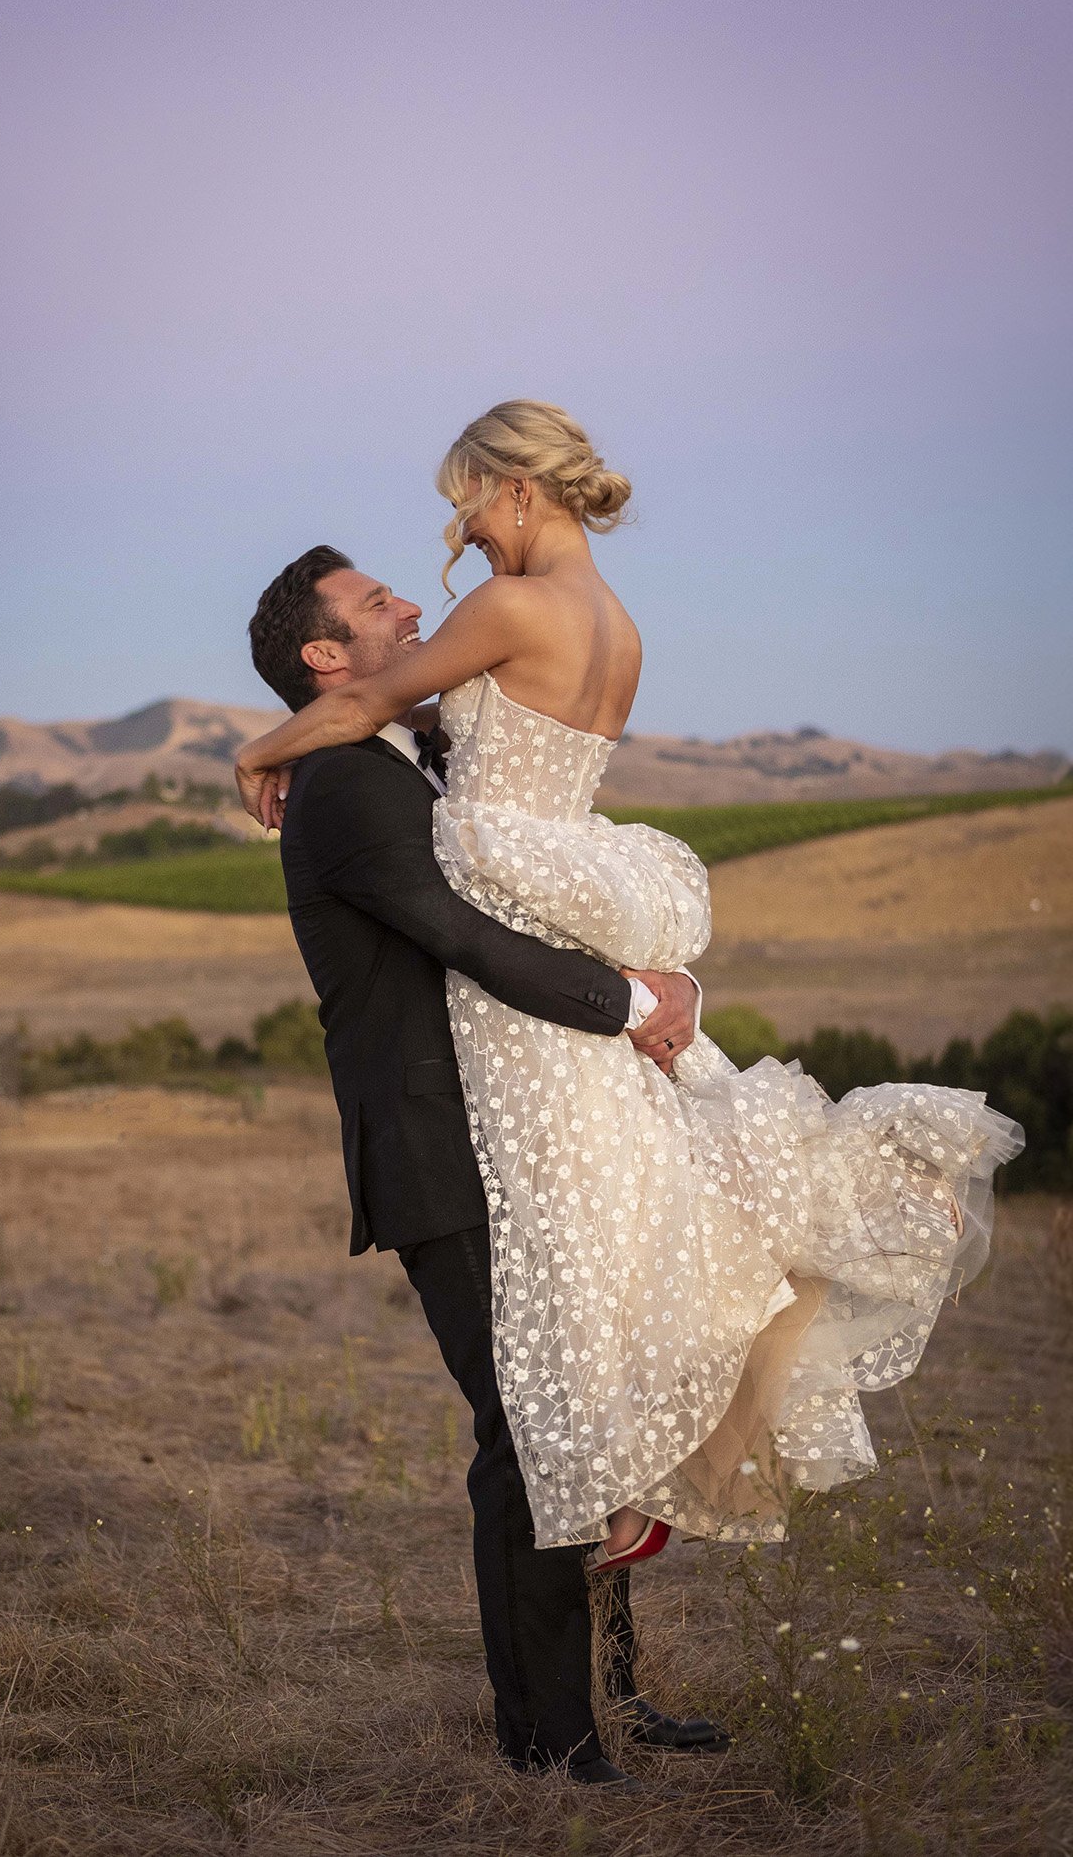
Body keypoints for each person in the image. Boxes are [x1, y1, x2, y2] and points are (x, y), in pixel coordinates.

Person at [237, 398, 1023, 1573]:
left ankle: (622, 1491)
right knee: (653, 1216)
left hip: (517, 937)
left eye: (465, 498)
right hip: (562, 889)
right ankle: (658, 1480)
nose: (455, 532)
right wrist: (635, 984)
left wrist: (253, 750)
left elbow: (358, 706)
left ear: (514, 490)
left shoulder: (505, 606)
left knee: (574, 1258)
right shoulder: (621, 626)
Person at [247, 543, 728, 1789]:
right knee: (527, 1431)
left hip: (526, 1133)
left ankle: (609, 1701)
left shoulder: (421, 753)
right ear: (323, 657)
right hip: (440, 1153)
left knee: (586, 1411)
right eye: (373, 604)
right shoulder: (347, 786)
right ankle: (551, 1741)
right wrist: (634, 1000)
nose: (411, 603)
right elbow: (462, 935)